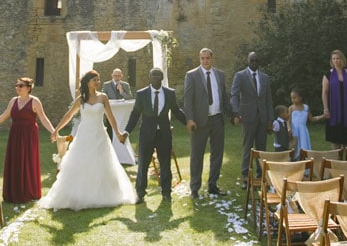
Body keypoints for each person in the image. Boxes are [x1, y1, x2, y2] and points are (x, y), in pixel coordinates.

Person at [40, 70, 135, 210]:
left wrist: (118, 133)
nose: (98, 82)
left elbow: (110, 117)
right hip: (84, 134)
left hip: (99, 135)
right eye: (95, 80)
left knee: (101, 162)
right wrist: (56, 130)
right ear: (88, 82)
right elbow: (69, 115)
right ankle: (78, 194)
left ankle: (102, 194)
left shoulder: (103, 97)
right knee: (80, 162)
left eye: (98, 79)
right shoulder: (81, 99)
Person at [123, 67, 187, 203]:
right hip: (146, 134)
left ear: (162, 78)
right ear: (149, 77)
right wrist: (127, 131)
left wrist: (188, 122)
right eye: (153, 75)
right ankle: (140, 193)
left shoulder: (170, 93)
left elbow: (176, 110)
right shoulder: (142, 94)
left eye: (158, 75)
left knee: (165, 164)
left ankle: (166, 192)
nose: (156, 77)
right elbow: (135, 114)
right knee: (143, 164)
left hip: (164, 133)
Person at [0, 77, 56, 202]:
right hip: (15, 134)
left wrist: (53, 131)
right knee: (15, 160)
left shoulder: (35, 101)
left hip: (29, 135)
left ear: (28, 88)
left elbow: (43, 118)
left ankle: (29, 191)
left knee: (27, 161)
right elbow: (4, 115)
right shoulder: (13, 101)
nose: (18, 88)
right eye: (17, 85)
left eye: (21, 85)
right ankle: (13, 192)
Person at [183, 47, 230, 199]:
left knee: (217, 154)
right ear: (199, 59)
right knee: (197, 155)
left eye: (207, 58)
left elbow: (224, 97)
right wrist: (189, 119)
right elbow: (188, 100)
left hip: (217, 119)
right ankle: (195, 189)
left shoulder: (220, 75)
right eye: (202, 58)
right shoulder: (192, 75)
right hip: (199, 121)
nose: (205, 61)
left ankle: (213, 185)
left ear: (212, 58)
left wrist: (232, 114)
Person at [230, 51, 273, 185]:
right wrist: (236, 112)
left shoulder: (265, 78)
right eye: (252, 60)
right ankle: (245, 176)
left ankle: (260, 176)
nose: (254, 63)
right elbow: (234, 95)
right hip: (247, 117)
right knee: (247, 147)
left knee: (261, 148)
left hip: (262, 118)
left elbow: (268, 100)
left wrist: (270, 119)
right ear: (248, 61)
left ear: (259, 62)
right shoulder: (240, 76)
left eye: (256, 61)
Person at [321, 50, 347, 148]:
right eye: (333, 59)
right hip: (334, 109)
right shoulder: (328, 75)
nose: (336, 61)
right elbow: (324, 92)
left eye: (338, 58)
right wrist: (325, 108)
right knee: (335, 137)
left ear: (342, 59)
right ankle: (336, 161)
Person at [288, 88, 324, 158]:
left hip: (303, 132)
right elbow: (288, 121)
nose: (293, 100)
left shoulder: (306, 108)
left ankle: (305, 162)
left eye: (295, 98)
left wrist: (322, 116)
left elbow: (312, 119)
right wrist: (289, 129)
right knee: (294, 148)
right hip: (294, 131)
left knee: (304, 148)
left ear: (300, 98)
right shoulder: (291, 108)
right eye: (291, 98)